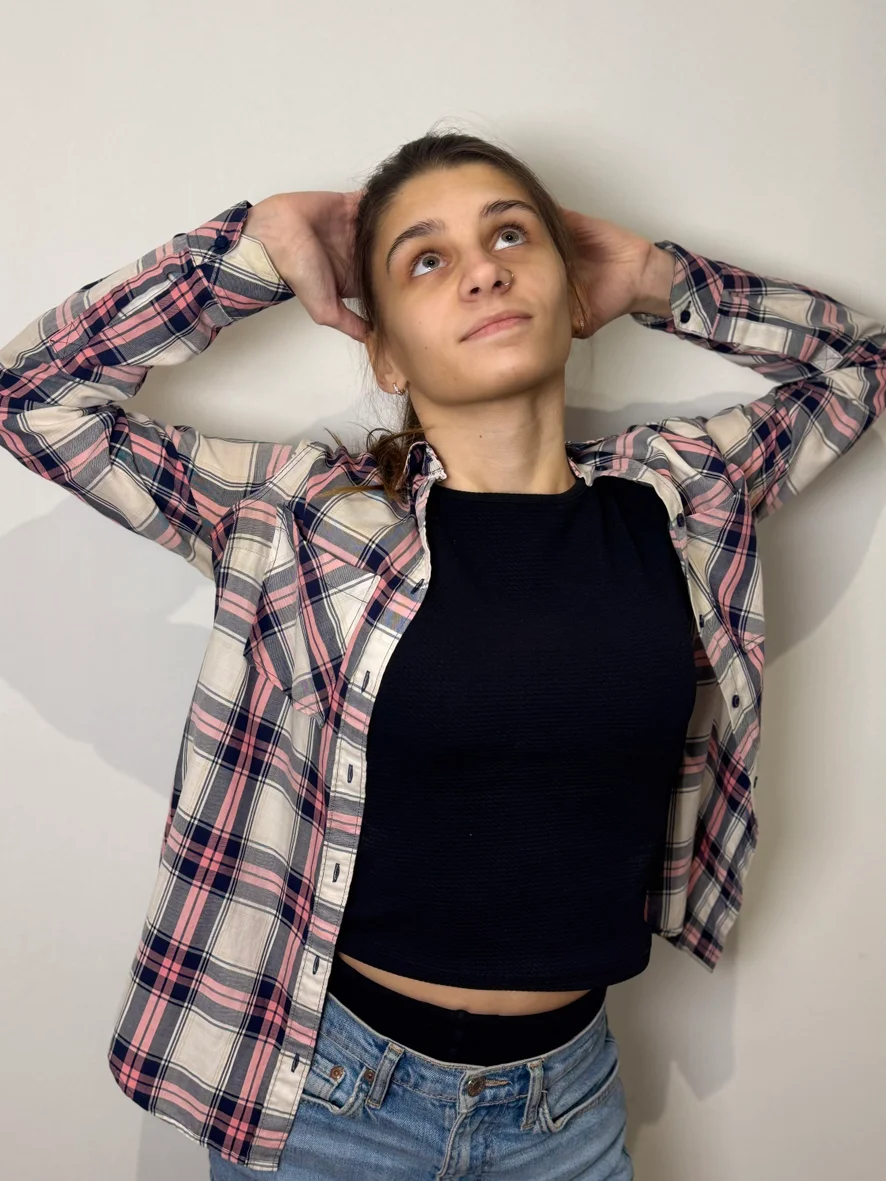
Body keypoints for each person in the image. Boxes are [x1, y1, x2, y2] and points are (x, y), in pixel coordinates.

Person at [1, 131, 883, 1179]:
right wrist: (252, 251)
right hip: (327, 1106)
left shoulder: (686, 493)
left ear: (571, 292)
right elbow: (31, 396)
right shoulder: (300, 514)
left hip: (566, 1113)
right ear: (385, 355)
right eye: (426, 258)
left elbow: (864, 363)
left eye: (511, 236)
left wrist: (659, 279)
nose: (483, 270)